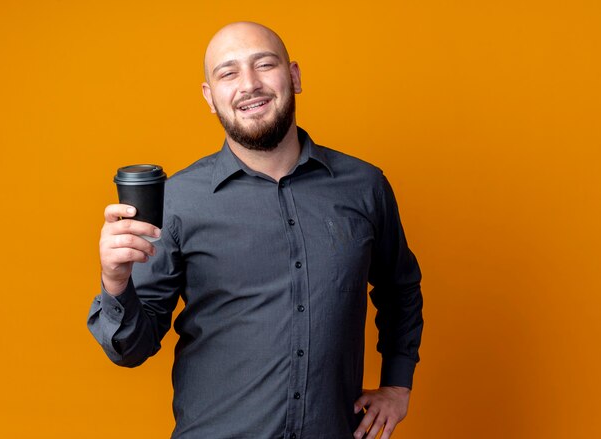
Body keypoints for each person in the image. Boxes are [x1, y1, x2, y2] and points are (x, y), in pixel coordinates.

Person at [88, 21, 423, 439]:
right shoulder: (177, 201)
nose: (249, 84)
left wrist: (397, 382)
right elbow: (132, 350)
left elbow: (400, 287)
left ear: (294, 77)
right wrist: (116, 282)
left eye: (264, 65)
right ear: (210, 98)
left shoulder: (365, 186)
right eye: (228, 73)